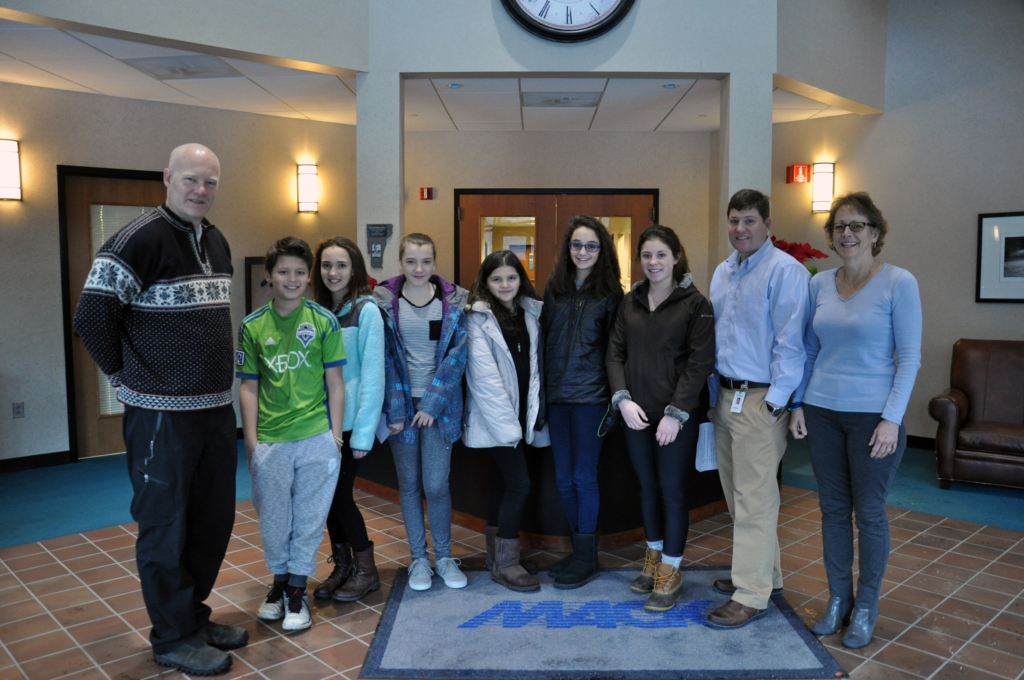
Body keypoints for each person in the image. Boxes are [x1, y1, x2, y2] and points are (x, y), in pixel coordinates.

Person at [73, 144, 246, 675]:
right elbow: (91, 318)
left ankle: (192, 617)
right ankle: (172, 637)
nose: (201, 191)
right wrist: (127, 379)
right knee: (164, 526)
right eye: (191, 180)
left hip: (216, 411)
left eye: (210, 183)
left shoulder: (215, 240)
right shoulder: (137, 239)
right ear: (168, 178)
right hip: (160, 417)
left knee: (211, 522)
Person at [789, 193, 922, 648]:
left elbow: (910, 359)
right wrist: (799, 404)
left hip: (873, 417)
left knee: (868, 513)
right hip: (823, 412)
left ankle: (866, 604)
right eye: (840, 227)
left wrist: (891, 419)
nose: (848, 234)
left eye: (857, 225)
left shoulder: (899, 283)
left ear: (875, 233)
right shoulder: (818, 284)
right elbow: (809, 349)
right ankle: (838, 600)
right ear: (831, 236)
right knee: (830, 511)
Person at [705, 189, 811, 629]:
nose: (740, 228)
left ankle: (751, 594)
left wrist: (776, 402)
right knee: (738, 494)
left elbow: (793, 343)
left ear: (768, 224)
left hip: (760, 399)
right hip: (725, 396)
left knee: (755, 498)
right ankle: (765, 574)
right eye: (734, 220)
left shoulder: (786, 271)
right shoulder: (723, 271)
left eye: (749, 220)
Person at [237, 237, 346, 631]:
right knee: (274, 520)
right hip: (271, 440)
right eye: (284, 271)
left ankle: (296, 591)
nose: (292, 278)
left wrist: (334, 439)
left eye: (300, 272)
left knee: (309, 519)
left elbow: (336, 383)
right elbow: (247, 387)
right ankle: (279, 583)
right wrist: (252, 444)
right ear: (269, 275)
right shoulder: (252, 325)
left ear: (309, 277)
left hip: (317, 437)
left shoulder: (324, 321)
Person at [607, 225, 716, 612]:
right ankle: (652, 560)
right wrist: (622, 400)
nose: (653, 263)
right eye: (647, 256)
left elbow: (701, 363)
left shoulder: (694, 303)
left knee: (672, 493)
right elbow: (614, 353)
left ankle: (671, 571)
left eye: (661, 255)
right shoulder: (630, 302)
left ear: (676, 258)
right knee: (646, 489)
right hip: (635, 415)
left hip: (676, 419)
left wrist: (676, 414)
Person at [375, 233, 470, 591]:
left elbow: (456, 357)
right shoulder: (385, 303)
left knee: (436, 483)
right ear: (401, 262)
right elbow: (383, 359)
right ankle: (419, 559)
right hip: (401, 407)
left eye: (426, 261)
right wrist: (396, 411)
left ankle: (444, 557)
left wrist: (431, 404)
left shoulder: (452, 303)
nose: (419, 268)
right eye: (412, 261)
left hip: (439, 409)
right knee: (410, 486)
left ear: (434, 263)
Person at [542, 215, 623, 589]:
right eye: (577, 244)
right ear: (567, 248)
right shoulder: (555, 289)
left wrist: (615, 402)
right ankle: (578, 552)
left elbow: (616, 352)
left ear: (601, 250)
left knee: (582, 476)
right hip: (557, 398)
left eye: (591, 245)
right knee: (563, 478)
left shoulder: (611, 294)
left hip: (592, 399)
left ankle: (587, 558)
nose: (583, 252)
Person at [464, 250, 549, 592]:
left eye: (511, 277)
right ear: (485, 283)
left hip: (519, 419)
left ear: (521, 279)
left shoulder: (529, 312)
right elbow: (484, 382)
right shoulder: (477, 319)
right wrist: (510, 431)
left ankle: (495, 558)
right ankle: (507, 564)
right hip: (497, 421)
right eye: (496, 278)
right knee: (519, 484)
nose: (505, 284)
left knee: (503, 485)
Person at [310, 237, 385, 603]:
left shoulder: (366, 311)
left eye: (341, 265)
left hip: (352, 423)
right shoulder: (317, 311)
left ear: (354, 268)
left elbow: (373, 376)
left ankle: (367, 571)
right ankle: (343, 566)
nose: (333, 272)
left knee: (340, 496)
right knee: (327, 498)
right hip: (318, 422)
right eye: (326, 265)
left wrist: (363, 436)